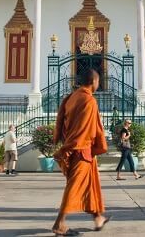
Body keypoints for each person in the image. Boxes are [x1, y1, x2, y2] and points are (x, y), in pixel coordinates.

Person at [52, 69, 111, 236]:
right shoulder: (89, 100)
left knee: (91, 185)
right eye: (98, 82)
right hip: (80, 149)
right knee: (74, 187)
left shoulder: (71, 98)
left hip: (79, 148)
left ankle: (98, 217)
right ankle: (59, 223)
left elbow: (65, 123)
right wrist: (71, 146)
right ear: (94, 82)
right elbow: (86, 129)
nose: (98, 84)